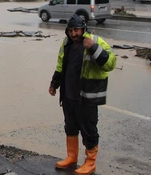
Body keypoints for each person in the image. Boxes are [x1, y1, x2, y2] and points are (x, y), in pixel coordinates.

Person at [49, 14, 117, 175]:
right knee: (70, 127)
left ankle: (90, 162)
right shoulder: (66, 43)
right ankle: (71, 157)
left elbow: (111, 63)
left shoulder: (95, 41)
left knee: (89, 129)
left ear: (83, 29)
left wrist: (93, 47)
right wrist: (54, 84)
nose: (74, 34)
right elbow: (60, 65)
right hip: (69, 95)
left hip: (87, 97)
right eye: (71, 31)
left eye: (77, 30)